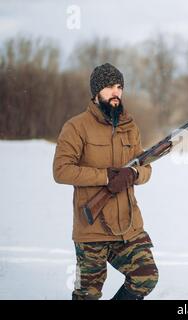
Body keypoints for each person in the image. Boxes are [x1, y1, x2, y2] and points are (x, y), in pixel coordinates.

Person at [53, 63, 158, 300]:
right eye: (110, 86)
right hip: (92, 229)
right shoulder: (76, 127)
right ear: (96, 91)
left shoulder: (130, 127)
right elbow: (61, 170)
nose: (116, 92)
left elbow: (146, 168)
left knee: (146, 276)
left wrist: (133, 174)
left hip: (128, 226)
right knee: (87, 294)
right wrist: (105, 176)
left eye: (119, 86)